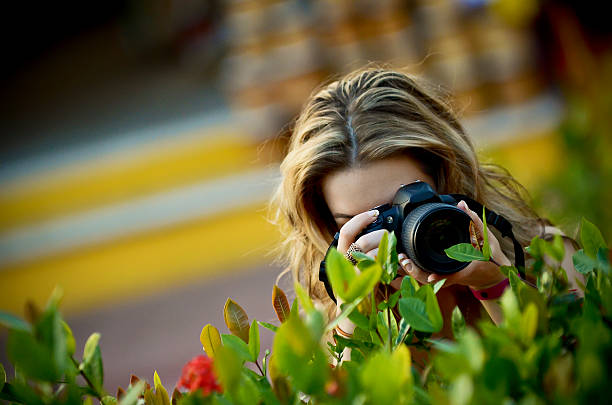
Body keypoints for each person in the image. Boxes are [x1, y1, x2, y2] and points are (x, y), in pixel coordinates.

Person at [270, 67, 582, 343]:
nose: (388, 240)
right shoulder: (325, 326)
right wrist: (351, 320)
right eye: (363, 225)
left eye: (403, 210)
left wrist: (496, 285)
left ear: (450, 186)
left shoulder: (550, 263)